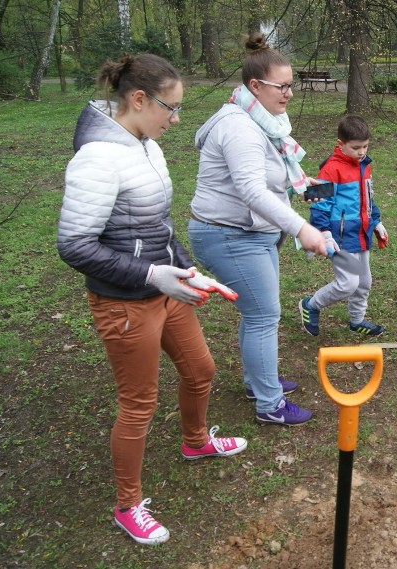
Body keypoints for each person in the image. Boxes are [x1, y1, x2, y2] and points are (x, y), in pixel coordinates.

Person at [57, 54, 247, 545]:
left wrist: (186, 270)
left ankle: (196, 442)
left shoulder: (146, 144)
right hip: (124, 302)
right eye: (172, 107)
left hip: (166, 289)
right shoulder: (97, 157)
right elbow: (75, 245)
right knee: (139, 403)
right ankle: (127, 505)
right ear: (138, 100)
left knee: (201, 370)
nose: (177, 118)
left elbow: (157, 226)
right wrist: (151, 275)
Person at [188, 33, 327, 426]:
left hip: (252, 234)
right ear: (255, 86)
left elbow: (262, 177)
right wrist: (301, 228)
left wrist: (299, 185)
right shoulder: (240, 127)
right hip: (228, 235)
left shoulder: (262, 122)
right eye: (281, 86)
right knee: (264, 314)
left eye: (290, 85)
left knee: (257, 314)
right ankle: (270, 404)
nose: (289, 94)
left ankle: (258, 381)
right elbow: (249, 190)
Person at [299, 115, 388, 337]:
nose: (362, 152)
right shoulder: (331, 170)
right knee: (348, 283)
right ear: (341, 144)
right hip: (339, 238)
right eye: (356, 147)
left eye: (365, 146)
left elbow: (368, 198)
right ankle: (311, 304)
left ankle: (357, 320)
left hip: (361, 234)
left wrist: (375, 221)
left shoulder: (364, 166)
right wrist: (325, 234)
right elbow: (319, 205)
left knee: (364, 282)